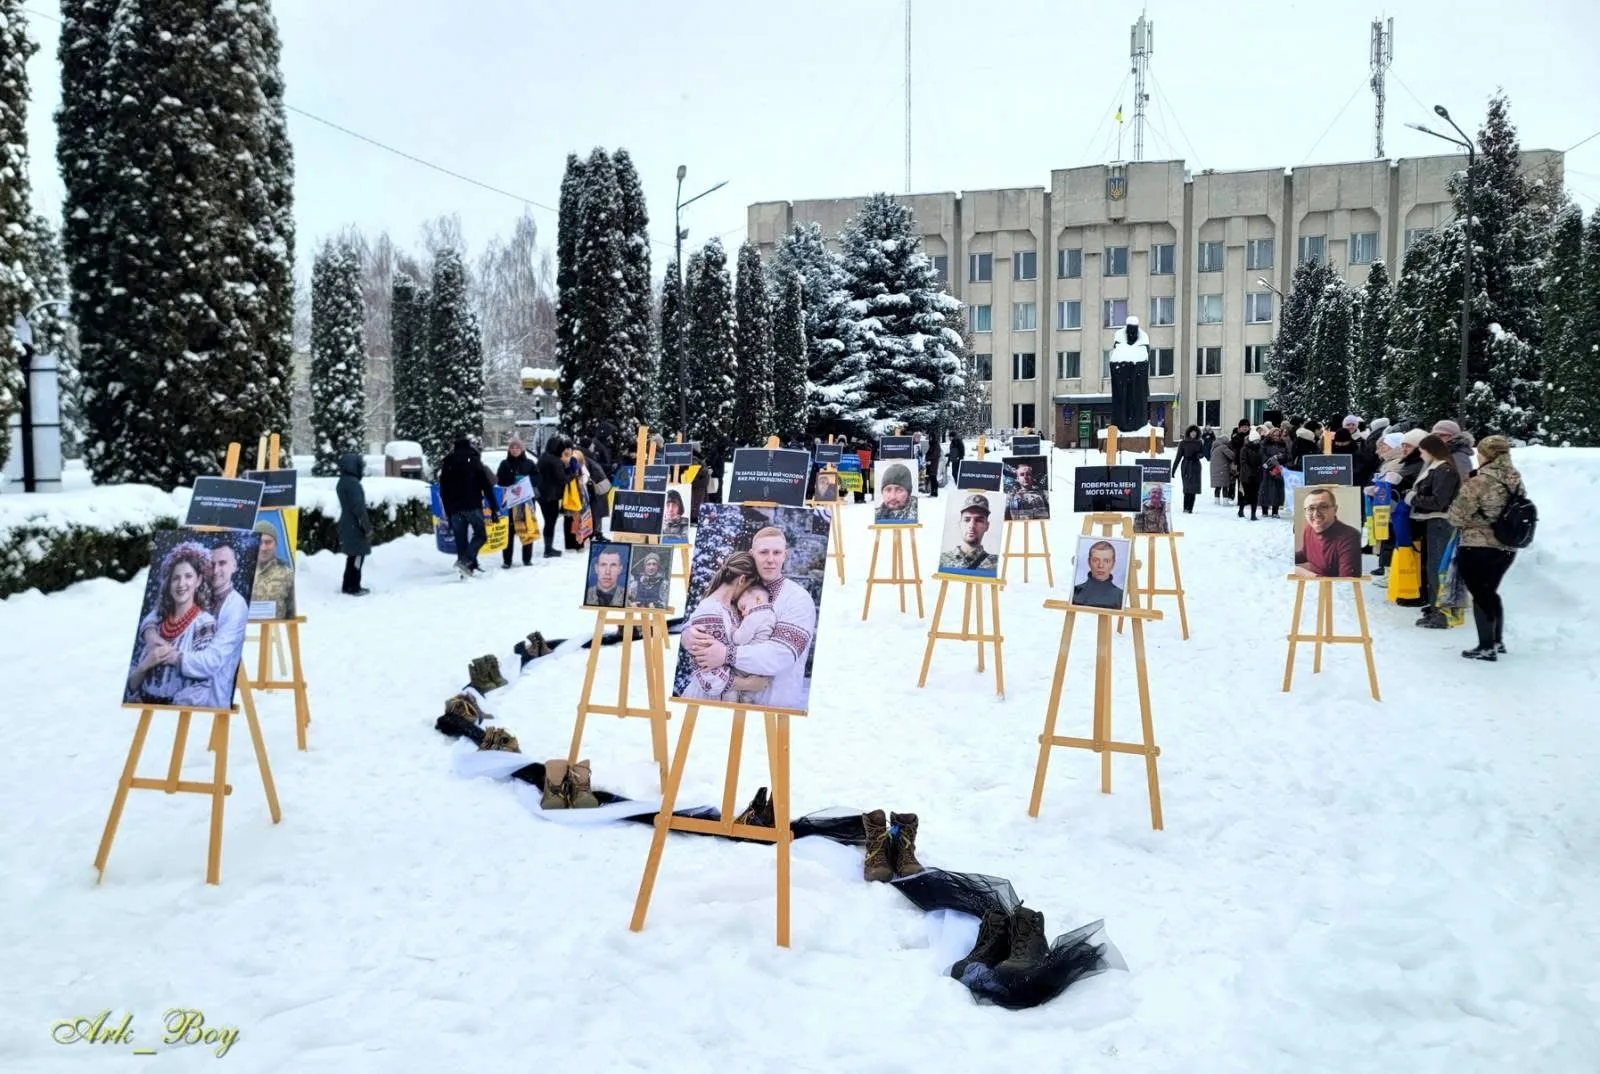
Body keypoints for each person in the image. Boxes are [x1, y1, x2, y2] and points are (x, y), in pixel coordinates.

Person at [682, 527, 818, 711]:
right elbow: (712, 614)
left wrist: (726, 654)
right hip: (728, 703)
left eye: (777, 552)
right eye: (763, 552)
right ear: (752, 554)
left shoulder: (798, 599)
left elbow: (782, 654)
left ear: (785, 555)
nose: (771, 559)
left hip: (773, 705)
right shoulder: (741, 590)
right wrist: (688, 634)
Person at [1446, 435, 1523, 661]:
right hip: (1507, 544)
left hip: (1477, 545)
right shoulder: (1515, 478)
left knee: (1480, 594)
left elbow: (1457, 516)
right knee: (1490, 591)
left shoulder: (1479, 481)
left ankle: (1486, 646)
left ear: (1487, 455)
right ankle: (1497, 641)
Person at [127, 542, 218, 706]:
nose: (181, 584)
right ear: (169, 584)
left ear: (198, 581)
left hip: (177, 711)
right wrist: (144, 666)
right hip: (144, 706)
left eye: (188, 576)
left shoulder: (204, 624)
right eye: (176, 578)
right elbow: (132, 685)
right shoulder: (155, 624)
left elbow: (205, 681)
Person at [679, 552, 772, 703]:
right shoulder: (711, 610)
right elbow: (708, 678)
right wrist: (749, 684)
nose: (750, 593)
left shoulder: (734, 608)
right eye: (750, 586)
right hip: (706, 701)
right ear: (742, 580)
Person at [1406, 433, 1463, 629]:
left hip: (1441, 523)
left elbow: (1439, 501)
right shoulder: (1437, 468)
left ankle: (1441, 614)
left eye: (1421, 451)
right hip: (1433, 523)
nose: (1420, 455)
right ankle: (1435, 608)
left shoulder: (1444, 470)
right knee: (1432, 568)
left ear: (1430, 451)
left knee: (1438, 569)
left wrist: (1413, 499)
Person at [437, 435, 500, 576]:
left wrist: (448, 510)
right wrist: (494, 507)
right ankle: (466, 561)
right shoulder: (474, 461)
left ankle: (465, 570)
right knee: (481, 535)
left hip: (454, 508)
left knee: (461, 540)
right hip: (472, 506)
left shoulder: (447, 463)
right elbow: (486, 486)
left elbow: (443, 490)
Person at [1294, 488, 1362, 578]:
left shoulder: (1350, 537)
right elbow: (1307, 553)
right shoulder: (1309, 530)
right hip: (1314, 584)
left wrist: (1308, 575)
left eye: (1323, 507)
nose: (1316, 513)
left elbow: (1347, 583)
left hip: (1333, 589)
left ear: (1335, 510)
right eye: (1311, 508)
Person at [496, 434, 538, 568]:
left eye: (517, 447)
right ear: (509, 450)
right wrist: (511, 482)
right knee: (509, 532)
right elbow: (499, 481)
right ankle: (507, 560)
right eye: (512, 447)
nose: (514, 450)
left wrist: (526, 481)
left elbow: (538, 479)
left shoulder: (529, 463)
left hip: (526, 503)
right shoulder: (504, 464)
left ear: (522, 449)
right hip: (510, 503)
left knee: (527, 529)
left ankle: (527, 559)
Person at [337, 451, 371, 594]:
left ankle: (347, 585)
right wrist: (367, 527)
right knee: (358, 556)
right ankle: (354, 586)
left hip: (347, 522)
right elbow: (359, 508)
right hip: (355, 525)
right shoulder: (353, 484)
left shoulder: (343, 482)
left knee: (352, 556)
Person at [939, 494, 999, 573]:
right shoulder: (942, 560)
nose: (971, 525)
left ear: (986, 526)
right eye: (967, 520)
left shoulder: (997, 563)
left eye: (979, 520)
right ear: (960, 524)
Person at [251, 520, 295, 619]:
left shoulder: (288, 574)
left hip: (274, 632)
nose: (263, 547)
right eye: (259, 542)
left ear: (276, 544)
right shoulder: (240, 572)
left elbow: (292, 615)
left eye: (268, 542)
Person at [536, 437, 569, 558]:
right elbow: (562, 479)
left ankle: (548, 548)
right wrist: (572, 474)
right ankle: (548, 549)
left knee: (547, 521)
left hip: (542, 495)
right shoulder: (556, 461)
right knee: (551, 522)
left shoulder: (543, 457)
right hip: (552, 496)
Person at [1072, 540, 1124, 609]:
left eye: (1106, 561)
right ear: (1089, 562)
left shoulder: (1120, 596)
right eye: (1096, 560)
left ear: (1113, 564)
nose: (1101, 565)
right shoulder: (1076, 592)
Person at [1175, 425, 1206, 513]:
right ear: (1189, 433)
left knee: (1193, 488)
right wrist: (1173, 469)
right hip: (1186, 465)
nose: (1193, 434)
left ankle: (1190, 509)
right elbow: (1178, 456)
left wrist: (1198, 455)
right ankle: (1185, 507)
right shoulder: (1183, 443)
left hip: (1195, 466)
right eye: (1192, 432)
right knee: (1186, 487)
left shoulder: (1199, 442)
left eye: (1195, 433)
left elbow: (1203, 453)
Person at [924, 431, 943, 499]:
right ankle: (933, 492)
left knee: (933, 478)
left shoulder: (935, 444)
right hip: (931, 463)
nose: (930, 438)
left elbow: (935, 454)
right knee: (932, 478)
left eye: (931, 437)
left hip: (933, 463)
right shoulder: (932, 444)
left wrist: (928, 458)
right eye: (930, 437)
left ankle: (934, 493)